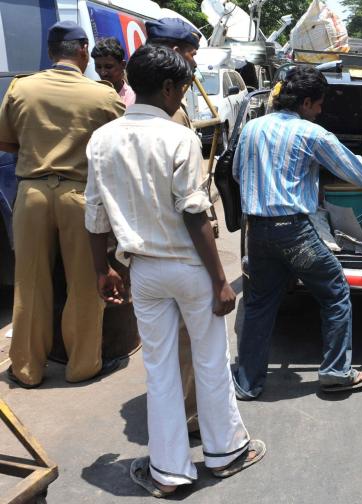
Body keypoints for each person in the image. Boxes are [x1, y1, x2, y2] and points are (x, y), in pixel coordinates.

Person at [85, 45, 265, 498]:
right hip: (189, 268)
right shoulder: (178, 137)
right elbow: (193, 212)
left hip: (143, 271)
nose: (182, 97)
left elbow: (95, 215)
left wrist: (102, 271)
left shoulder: (102, 139)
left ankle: (168, 471)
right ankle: (226, 453)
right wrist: (220, 281)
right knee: (210, 360)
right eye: (182, 89)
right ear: (168, 88)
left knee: (159, 370)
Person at [231, 66, 362, 400]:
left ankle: (247, 383)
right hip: (293, 233)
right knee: (336, 291)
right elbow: (351, 167)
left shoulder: (252, 128)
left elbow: (238, 173)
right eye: (319, 104)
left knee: (260, 304)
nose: (321, 111)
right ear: (306, 102)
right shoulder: (312, 134)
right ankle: (336, 372)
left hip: (258, 232)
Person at [0, 21, 126, 388]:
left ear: (51, 51)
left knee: (29, 283)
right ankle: (83, 365)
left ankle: (26, 368)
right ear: (84, 50)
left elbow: (5, 142)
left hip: (32, 194)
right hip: (79, 196)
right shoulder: (102, 95)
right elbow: (121, 148)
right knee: (85, 283)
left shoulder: (21, 88)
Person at [145, 17, 203, 436]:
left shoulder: (144, 101)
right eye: (191, 54)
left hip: (148, 246)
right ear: (174, 53)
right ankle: (190, 418)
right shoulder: (166, 111)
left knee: (162, 343)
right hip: (176, 242)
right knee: (187, 338)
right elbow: (187, 201)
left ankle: (174, 414)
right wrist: (216, 275)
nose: (195, 63)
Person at [91, 37, 135, 107]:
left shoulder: (134, 99)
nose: (103, 72)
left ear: (123, 65)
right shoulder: (92, 97)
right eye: (98, 67)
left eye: (108, 67)